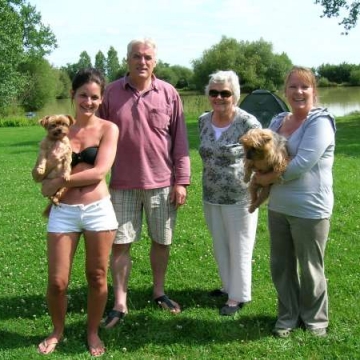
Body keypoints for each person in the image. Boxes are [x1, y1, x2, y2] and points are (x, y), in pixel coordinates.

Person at [99, 38, 191, 328]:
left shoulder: (169, 94)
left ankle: (159, 292)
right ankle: (120, 302)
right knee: (120, 244)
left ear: (155, 61)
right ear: (127, 60)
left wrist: (182, 181)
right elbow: (95, 136)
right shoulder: (110, 94)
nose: (142, 61)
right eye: (136, 56)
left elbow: (180, 141)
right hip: (121, 184)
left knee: (161, 241)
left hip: (163, 183)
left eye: (148, 57)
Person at [33, 68, 119, 356]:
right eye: (83, 95)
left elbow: (99, 172)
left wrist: (60, 181)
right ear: (73, 95)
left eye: (95, 97)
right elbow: (44, 176)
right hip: (64, 211)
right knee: (57, 282)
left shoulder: (109, 129)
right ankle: (57, 330)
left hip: (98, 210)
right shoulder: (58, 129)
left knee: (97, 276)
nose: (89, 102)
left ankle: (92, 332)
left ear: (101, 99)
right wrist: (48, 182)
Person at [255, 66, 336, 337]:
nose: (299, 92)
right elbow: (264, 153)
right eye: (293, 86)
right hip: (279, 207)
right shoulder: (278, 120)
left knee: (311, 268)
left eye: (305, 86)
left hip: (310, 209)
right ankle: (288, 316)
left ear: (314, 91)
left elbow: (301, 164)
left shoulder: (320, 122)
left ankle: (315, 320)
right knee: (281, 266)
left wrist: (265, 180)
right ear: (285, 91)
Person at [198, 70, 261, 316]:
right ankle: (227, 286)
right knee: (220, 243)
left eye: (224, 93)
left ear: (234, 94)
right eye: (214, 93)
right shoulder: (204, 120)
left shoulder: (247, 122)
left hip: (240, 196)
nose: (219, 97)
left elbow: (262, 158)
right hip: (211, 194)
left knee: (240, 245)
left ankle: (238, 296)